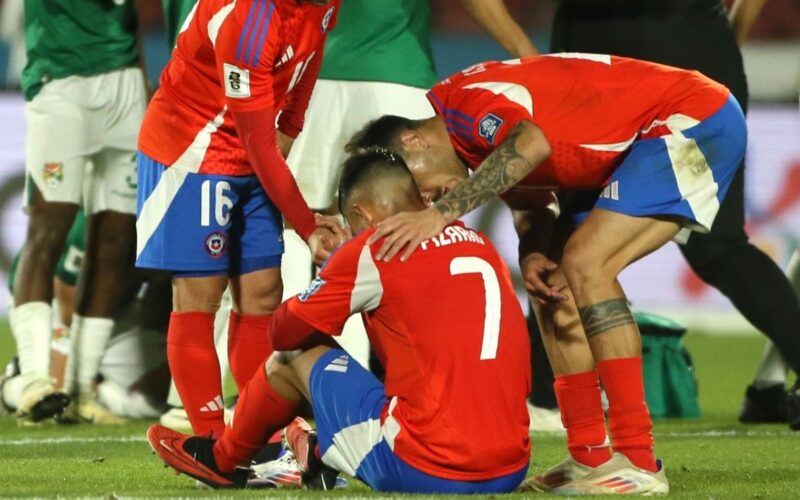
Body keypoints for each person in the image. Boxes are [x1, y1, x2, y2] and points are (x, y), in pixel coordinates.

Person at [348, 54, 749, 494]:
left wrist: (442, 213)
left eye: (417, 187)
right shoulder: (471, 146)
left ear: (414, 140)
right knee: (551, 285)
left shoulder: (465, 105)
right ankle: (588, 455)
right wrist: (533, 252)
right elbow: (530, 202)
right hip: (637, 142)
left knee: (584, 263)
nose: (425, 198)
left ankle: (638, 459)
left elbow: (532, 144)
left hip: (690, 118)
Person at [146, 149, 532, 493]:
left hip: (428, 468)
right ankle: (315, 451)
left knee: (293, 354)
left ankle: (223, 460)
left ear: (362, 214)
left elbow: (282, 332)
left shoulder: (372, 248)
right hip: (511, 466)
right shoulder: (479, 244)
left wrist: (334, 269)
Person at [549, 0, 800, 428]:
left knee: (570, 232)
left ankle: (546, 400)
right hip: (691, 44)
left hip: (591, 55)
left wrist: (522, 46)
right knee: (717, 245)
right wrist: (723, 34)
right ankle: (552, 399)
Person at [281, 0, 539, 370]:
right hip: (394, 72)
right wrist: (526, 56)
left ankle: (291, 368)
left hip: (317, 69)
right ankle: (431, 367)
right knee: (417, 225)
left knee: (302, 221)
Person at [135, 0, 346, 439]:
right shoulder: (249, 18)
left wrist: (292, 124)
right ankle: (212, 443)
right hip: (193, 149)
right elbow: (256, 145)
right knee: (201, 295)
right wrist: (307, 227)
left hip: (252, 151)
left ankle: (260, 437)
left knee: (264, 294)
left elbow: (311, 53)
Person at [10, 0, 148, 424]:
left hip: (124, 79)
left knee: (116, 237)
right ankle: (34, 378)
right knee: (48, 226)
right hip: (61, 78)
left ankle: (81, 387)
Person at [1, 211, 170, 422]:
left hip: (119, 307)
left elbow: (154, 313)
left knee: (161, 400)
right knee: (60, 395)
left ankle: (96, 394)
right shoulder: (93, 222)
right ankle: (10, 389)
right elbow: (69, 309)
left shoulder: (168, 221)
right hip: (53, 302)